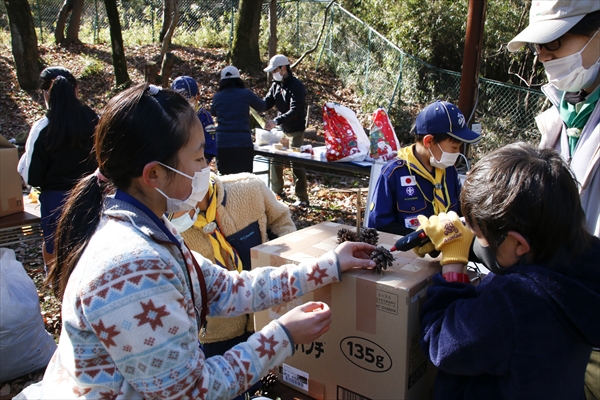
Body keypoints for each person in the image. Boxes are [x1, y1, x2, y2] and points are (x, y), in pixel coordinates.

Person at [15, 83, 376, 400]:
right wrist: (283, 335)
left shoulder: (151, 230)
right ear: (154, 174)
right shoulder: (131, 265)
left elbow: (229, 289)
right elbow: (193, 392)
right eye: (200, 157)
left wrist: (330, 264)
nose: (208, 168)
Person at [417, 142, 600, 399]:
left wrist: (454, 261)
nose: (480, 241)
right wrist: (474, 242)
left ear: (519, 244)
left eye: (481, 236)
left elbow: (440, 342)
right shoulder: (582, 267)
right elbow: (514, 261)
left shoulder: (514, 302)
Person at [508, 3, 600, 397]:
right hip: (563, 311)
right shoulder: (562, 117)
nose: (543, 55)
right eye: (537, 47)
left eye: (554, 41)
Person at [169, 172, 296, 399]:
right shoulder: (165, 227)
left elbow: (281, 221)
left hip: (267, 318)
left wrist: (282, 260)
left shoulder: (248, 189)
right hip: (215, 335)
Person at [367, 100, 480, 255]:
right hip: (407, 257)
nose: (457, 152)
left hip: (450, 254)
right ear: (429, 141)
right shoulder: (394, 173)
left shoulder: (449, 171)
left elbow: (460, 213)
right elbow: (379, 225)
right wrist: (423, 236)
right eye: (454, 147)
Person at [17, 66, 98, 268]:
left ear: (45, 94)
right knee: (90, 244)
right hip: (91, 194)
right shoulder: (94, 120)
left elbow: (31, 176)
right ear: (76, 90)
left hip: (55, 201)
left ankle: (57, 289)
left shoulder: (43, 127)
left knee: (55, 246)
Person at [263, 54, 310, 207]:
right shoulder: (276, 85)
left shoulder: (296, 86)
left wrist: (276, 121)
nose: (272, 74)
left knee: (296, 164)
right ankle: (277, 192)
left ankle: (302, 198)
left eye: (274, 70)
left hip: (295, 129)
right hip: (281, 130)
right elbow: (267, 102)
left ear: (283, 68)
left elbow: (295, 110)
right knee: (275, 160)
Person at [210, 65, 267, 175]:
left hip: (223, 142)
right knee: (244, 179)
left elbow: (213, 112)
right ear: (238, 79)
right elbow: (262, 106)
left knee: (225, 179)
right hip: (243, 142)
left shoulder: (218, 96)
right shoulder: (245, 94)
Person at [172, 75, 217, 165]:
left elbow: (210, 145)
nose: (182, 104)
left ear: (197, 98)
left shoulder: (203, 117)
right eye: (178, 100)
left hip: (196, 165)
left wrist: (200, 164)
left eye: (186, 99)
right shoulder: (170, 116)